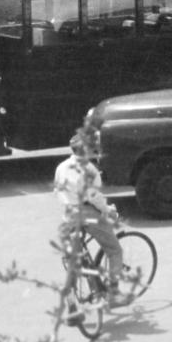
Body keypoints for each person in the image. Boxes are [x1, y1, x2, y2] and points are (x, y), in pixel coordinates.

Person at [53, 129, 126, 305]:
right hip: (87, 213)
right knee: (114, 250)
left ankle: (70, 297)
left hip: (69, 215)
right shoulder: (89, 169)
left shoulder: (61, 168)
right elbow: (94, 197)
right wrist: (108, 210)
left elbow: (57, 191)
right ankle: (114, 293)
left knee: (75, 258)